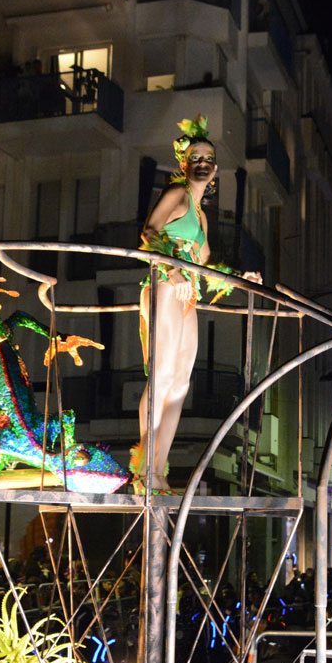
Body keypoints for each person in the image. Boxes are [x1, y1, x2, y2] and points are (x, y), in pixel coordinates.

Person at [134, 115, 261, 491]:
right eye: (196, 156)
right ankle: (145, 468)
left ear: (216, 168)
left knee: (180, 383)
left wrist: (238, 278)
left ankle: (158, 470)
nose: (202, 162)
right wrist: (173, 274)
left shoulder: (201, 214)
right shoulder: (176, 195)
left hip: (188, 294)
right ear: (184, 164)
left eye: (208, 157)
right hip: (165, 286)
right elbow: (149, 232)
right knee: (161, 376)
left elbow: (204, 266)